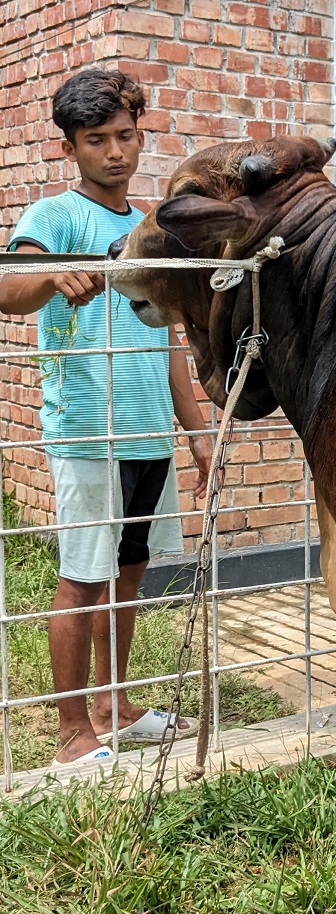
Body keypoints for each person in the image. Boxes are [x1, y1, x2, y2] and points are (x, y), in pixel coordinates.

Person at [0, 68, 211, 765]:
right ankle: (70, 736)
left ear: (139, 135)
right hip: (89, 428)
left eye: (124, 136)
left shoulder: (151, 228)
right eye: (96, 140)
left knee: (128, 573)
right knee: (83, 578)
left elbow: (172, 337)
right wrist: (51, 277)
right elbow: (9, 287)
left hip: (148, 427)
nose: (114, 152)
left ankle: (115, 707)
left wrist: (198, 431)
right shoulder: (56, 216)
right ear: (71, 149)